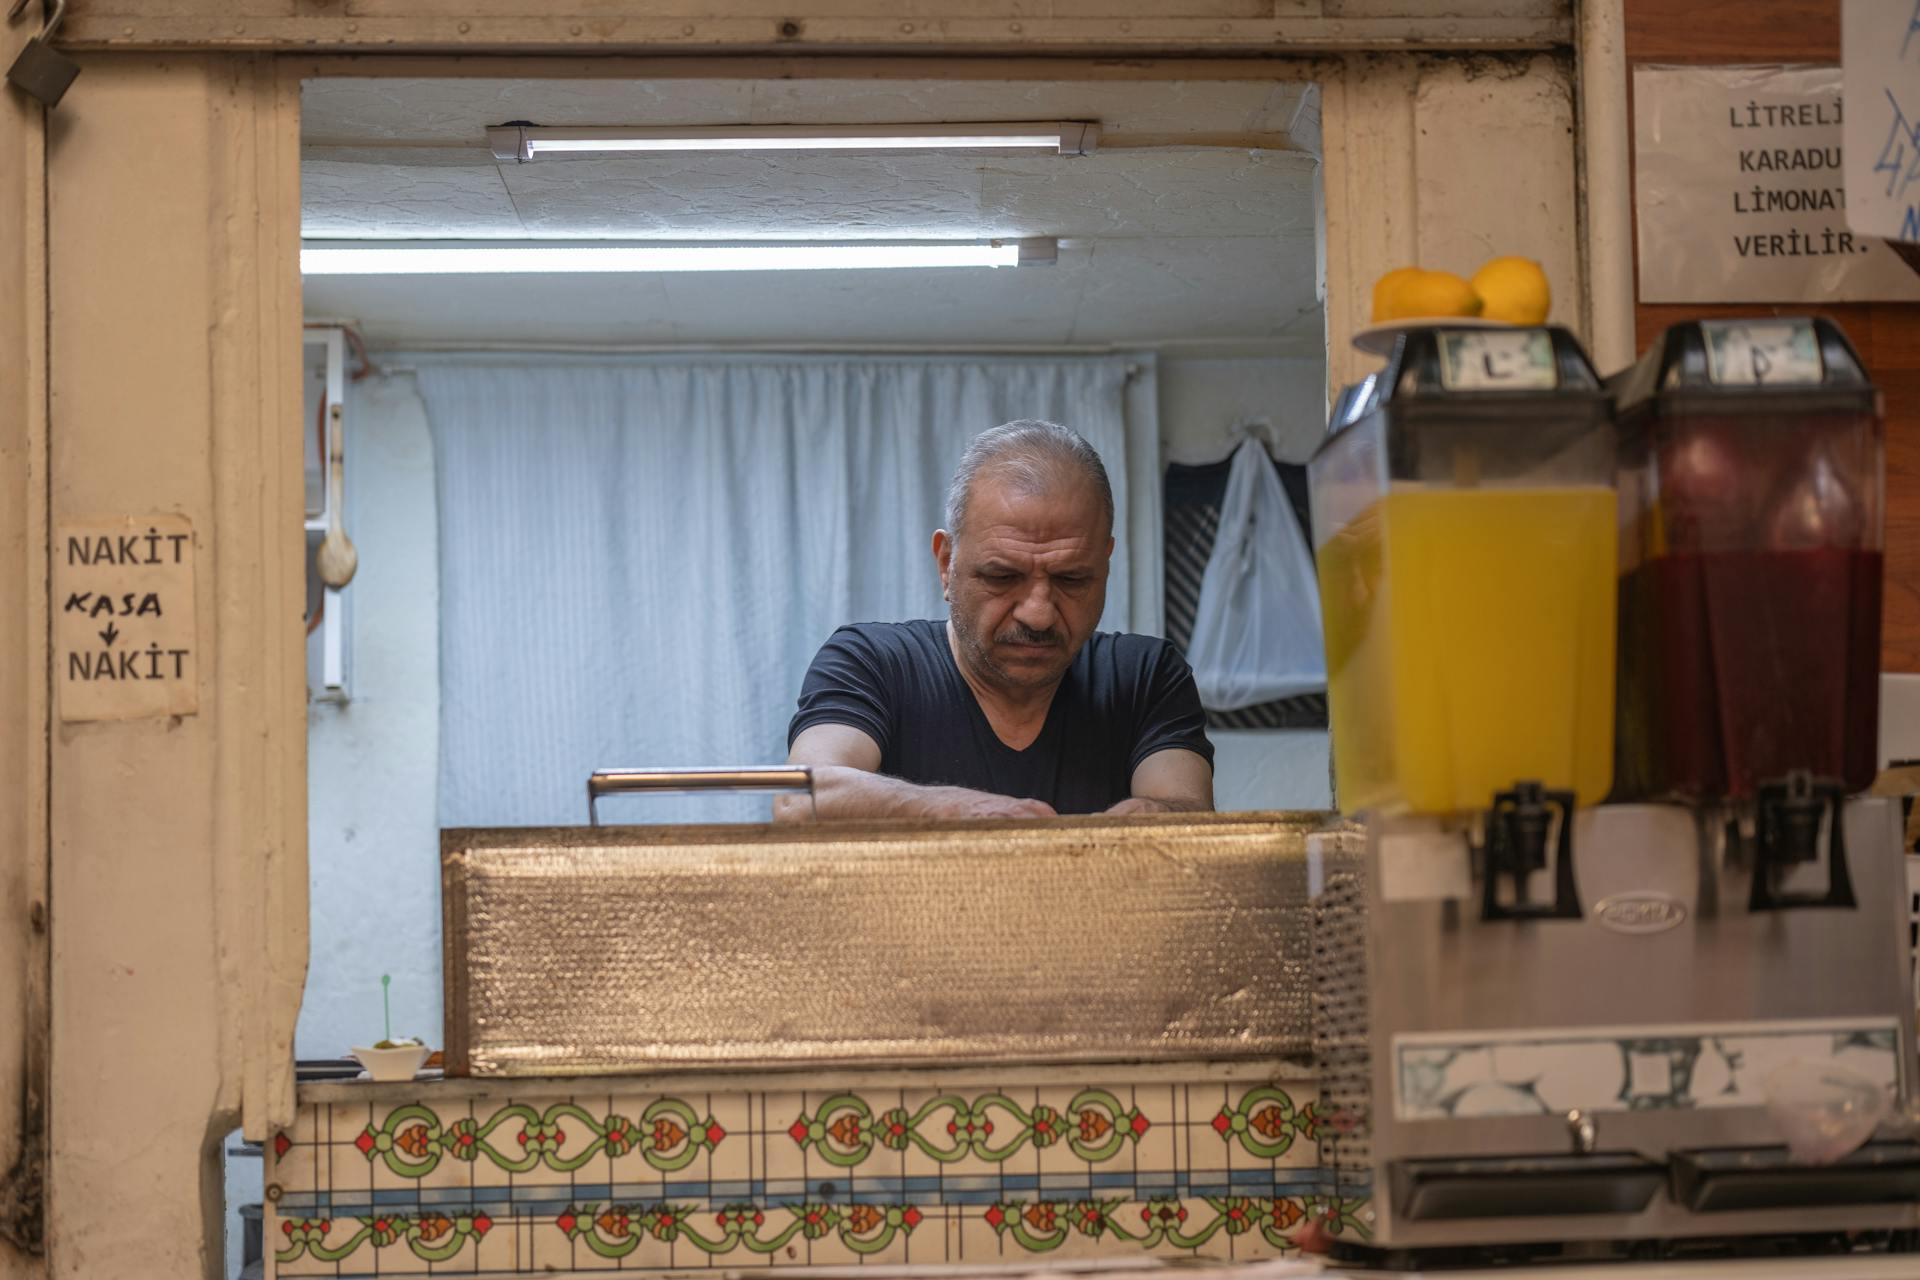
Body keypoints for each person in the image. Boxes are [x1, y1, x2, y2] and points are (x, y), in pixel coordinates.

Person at [781, 419, 1214, 820]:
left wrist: (1155, 821)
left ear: (1105, 565)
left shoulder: (1146, 676)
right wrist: (963, 813)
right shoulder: (870, 661)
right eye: (1002, 577)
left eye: (1072, 579)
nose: (1039, 613)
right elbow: (801, 801)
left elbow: (1189, 813)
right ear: (947, 564)